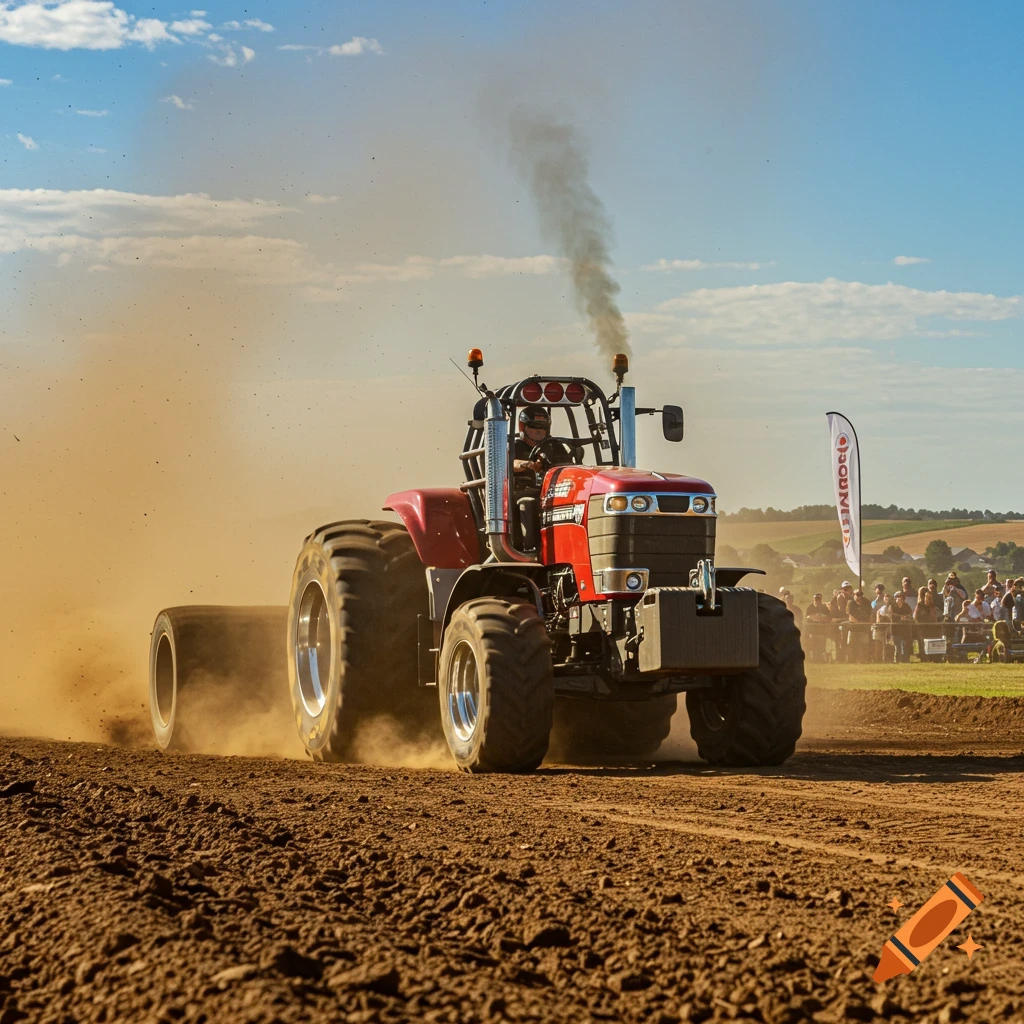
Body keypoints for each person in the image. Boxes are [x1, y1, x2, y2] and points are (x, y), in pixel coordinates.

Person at [513, 406, 573, 478]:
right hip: (523, 487)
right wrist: (529, 464)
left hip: (555, 485)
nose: (539, 430)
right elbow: (508, 465)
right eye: (534, 426)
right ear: (522, 426)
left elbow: (568, 466)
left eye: (543, 426)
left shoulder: (554, 445)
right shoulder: (515, 446)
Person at [914, 587, 941, 662]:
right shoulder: (920, 605)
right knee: (922, 643)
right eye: (927, 596)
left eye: (930, 597)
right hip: (922, 628)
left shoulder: (932, 606)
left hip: (931, 627)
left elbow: (934, 617)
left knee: (930, 642)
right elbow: (915, 617)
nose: (928, 598)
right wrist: (919, 624)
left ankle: (931, 657)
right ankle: (923, 657)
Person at [846, 589, 873, 662]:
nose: (859, 597)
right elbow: (850, 616)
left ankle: (864, 660)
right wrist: (859, 622)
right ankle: (851, 661)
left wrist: (867, 623)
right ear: (854, 595)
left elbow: (870, 614)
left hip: (863, 628)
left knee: (864, 645)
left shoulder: (866, 602)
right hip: (853, 628)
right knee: (851, 645)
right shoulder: (851, 603)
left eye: (860, 595)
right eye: (857, 595)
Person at [804, 593, 832, 662]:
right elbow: (806, 617)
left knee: (822, 646)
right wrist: (812, 617)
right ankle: (814, 659)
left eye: (818, 599)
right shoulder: (810, 607)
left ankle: (821, 659)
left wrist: (822, 619)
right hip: (812, 631)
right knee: (813, 645)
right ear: (813, 600)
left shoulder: (824, 607)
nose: (817, 601)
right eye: (815, 599)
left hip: (821, 631)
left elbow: (829, 618)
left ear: (821, 600)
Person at [889, 591, 913, 663]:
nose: (899, 599)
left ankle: (905, 660)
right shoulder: (892, 606)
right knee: (897, 646)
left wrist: (906, 618)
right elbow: (891, 616)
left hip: (905, 629)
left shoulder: (906, 606)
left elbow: (910, 615)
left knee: (906, 645)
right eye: (898, 597)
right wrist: (900, 618)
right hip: (895, 629)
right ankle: (897, 660)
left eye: (901, 597)